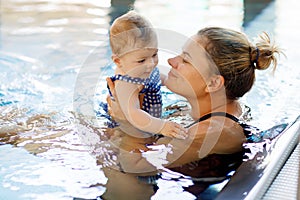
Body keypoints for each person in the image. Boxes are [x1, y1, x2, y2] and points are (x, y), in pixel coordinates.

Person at [104, 26, 281, 197]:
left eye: (186, 60)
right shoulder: (206, 108)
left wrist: (127, 121)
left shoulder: (213, 130)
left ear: (213, 83)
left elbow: (133, 166)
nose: (171, 61)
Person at [107, 10, 187, 139]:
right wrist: (161, 126)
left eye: (154, 54)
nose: (151, 63)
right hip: (130, 129)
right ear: (118, 61)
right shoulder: (126, 82)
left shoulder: (143, 69)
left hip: (151, 121)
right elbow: (134, 113)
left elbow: (163, 80)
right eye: (142, 60)